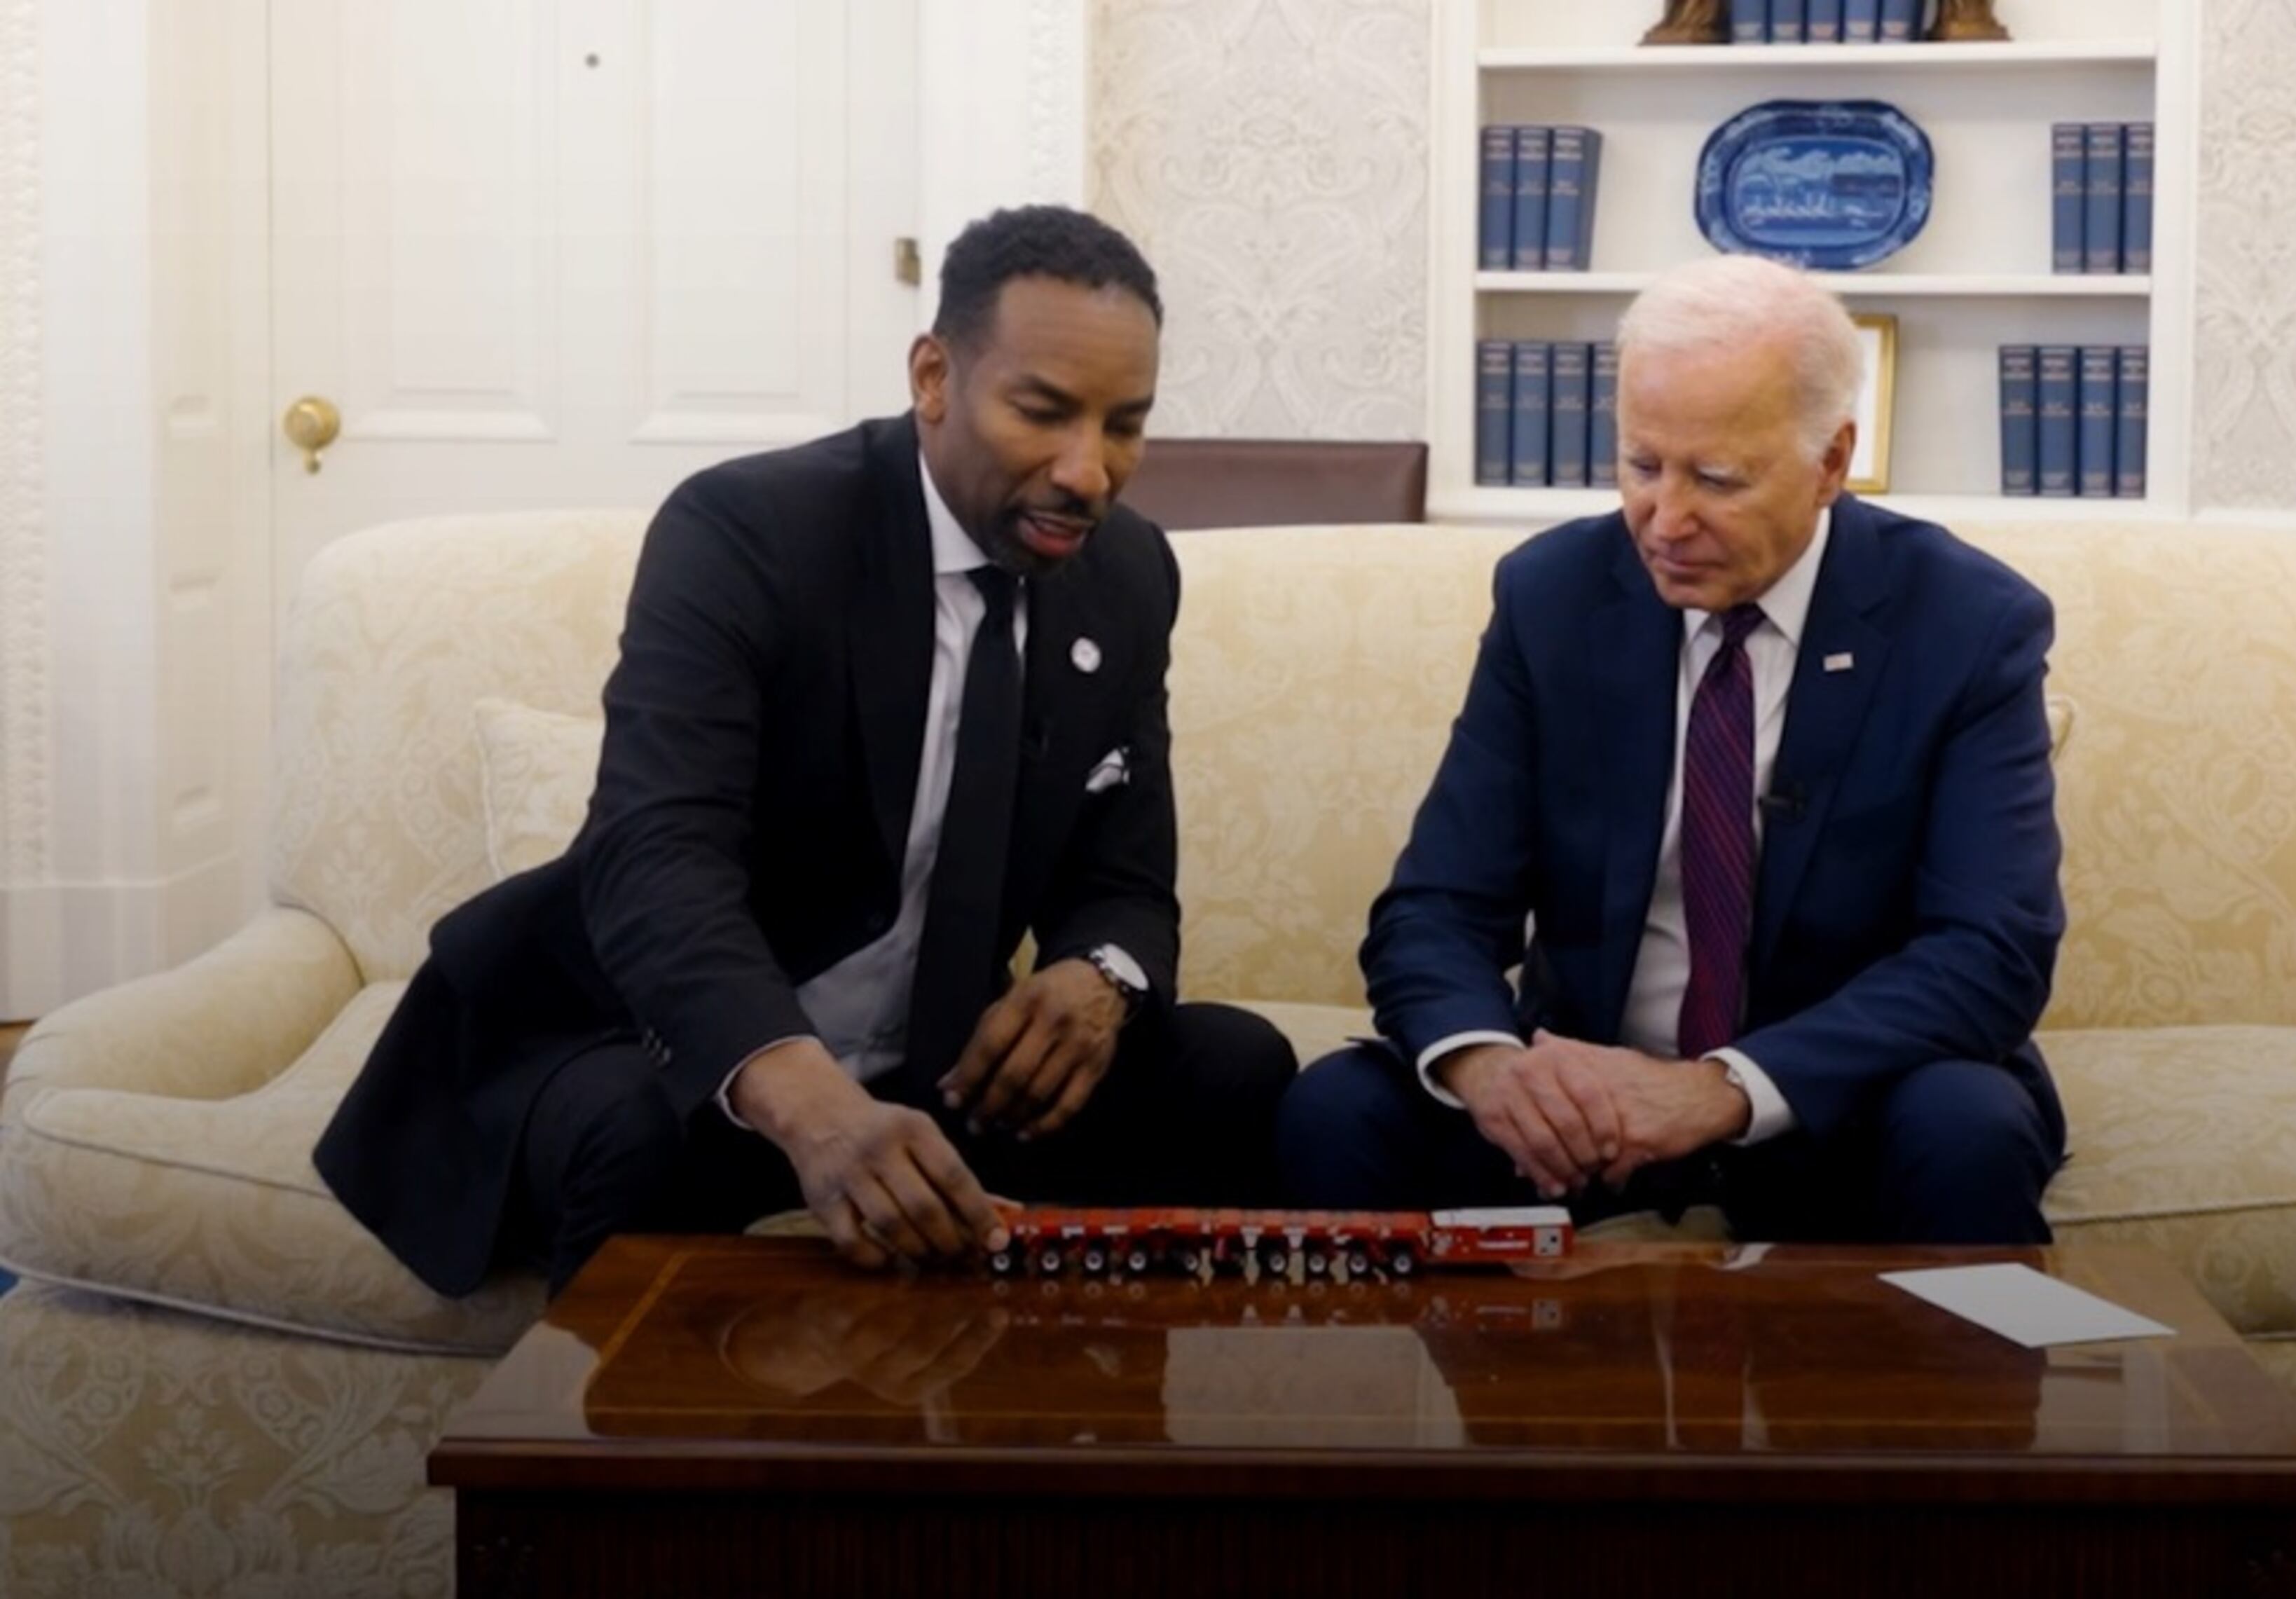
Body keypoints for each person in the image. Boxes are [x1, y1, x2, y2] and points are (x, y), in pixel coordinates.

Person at [315, 205, 1296, 1295]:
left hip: (930, 1066)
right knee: (634, 1137)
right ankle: (603, 1458)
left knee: (1232, 1066)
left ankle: (1074, 1447)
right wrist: (806, 1099)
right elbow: (656, 853)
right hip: (653, 1039)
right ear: (934, 377)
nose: (1090, 471)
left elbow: (1124, 876)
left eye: (1125, 424)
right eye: (1045, 412)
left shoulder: (1127, 575)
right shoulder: (749, 532)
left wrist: (1099, 973)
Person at [1278, 254, 2065, 1244]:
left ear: (1832, 461)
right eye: (1643, 466)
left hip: (1841, 1094)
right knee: (1339, 1109)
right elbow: (1437, 906)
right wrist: (1495, 1070)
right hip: (1586, 1099)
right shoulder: (1553, 597)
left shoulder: (1967, 623)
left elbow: (1990, 951)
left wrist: (1720, 1090)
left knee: (1965, 1128)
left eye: (1719, 479)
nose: (1666, 519)